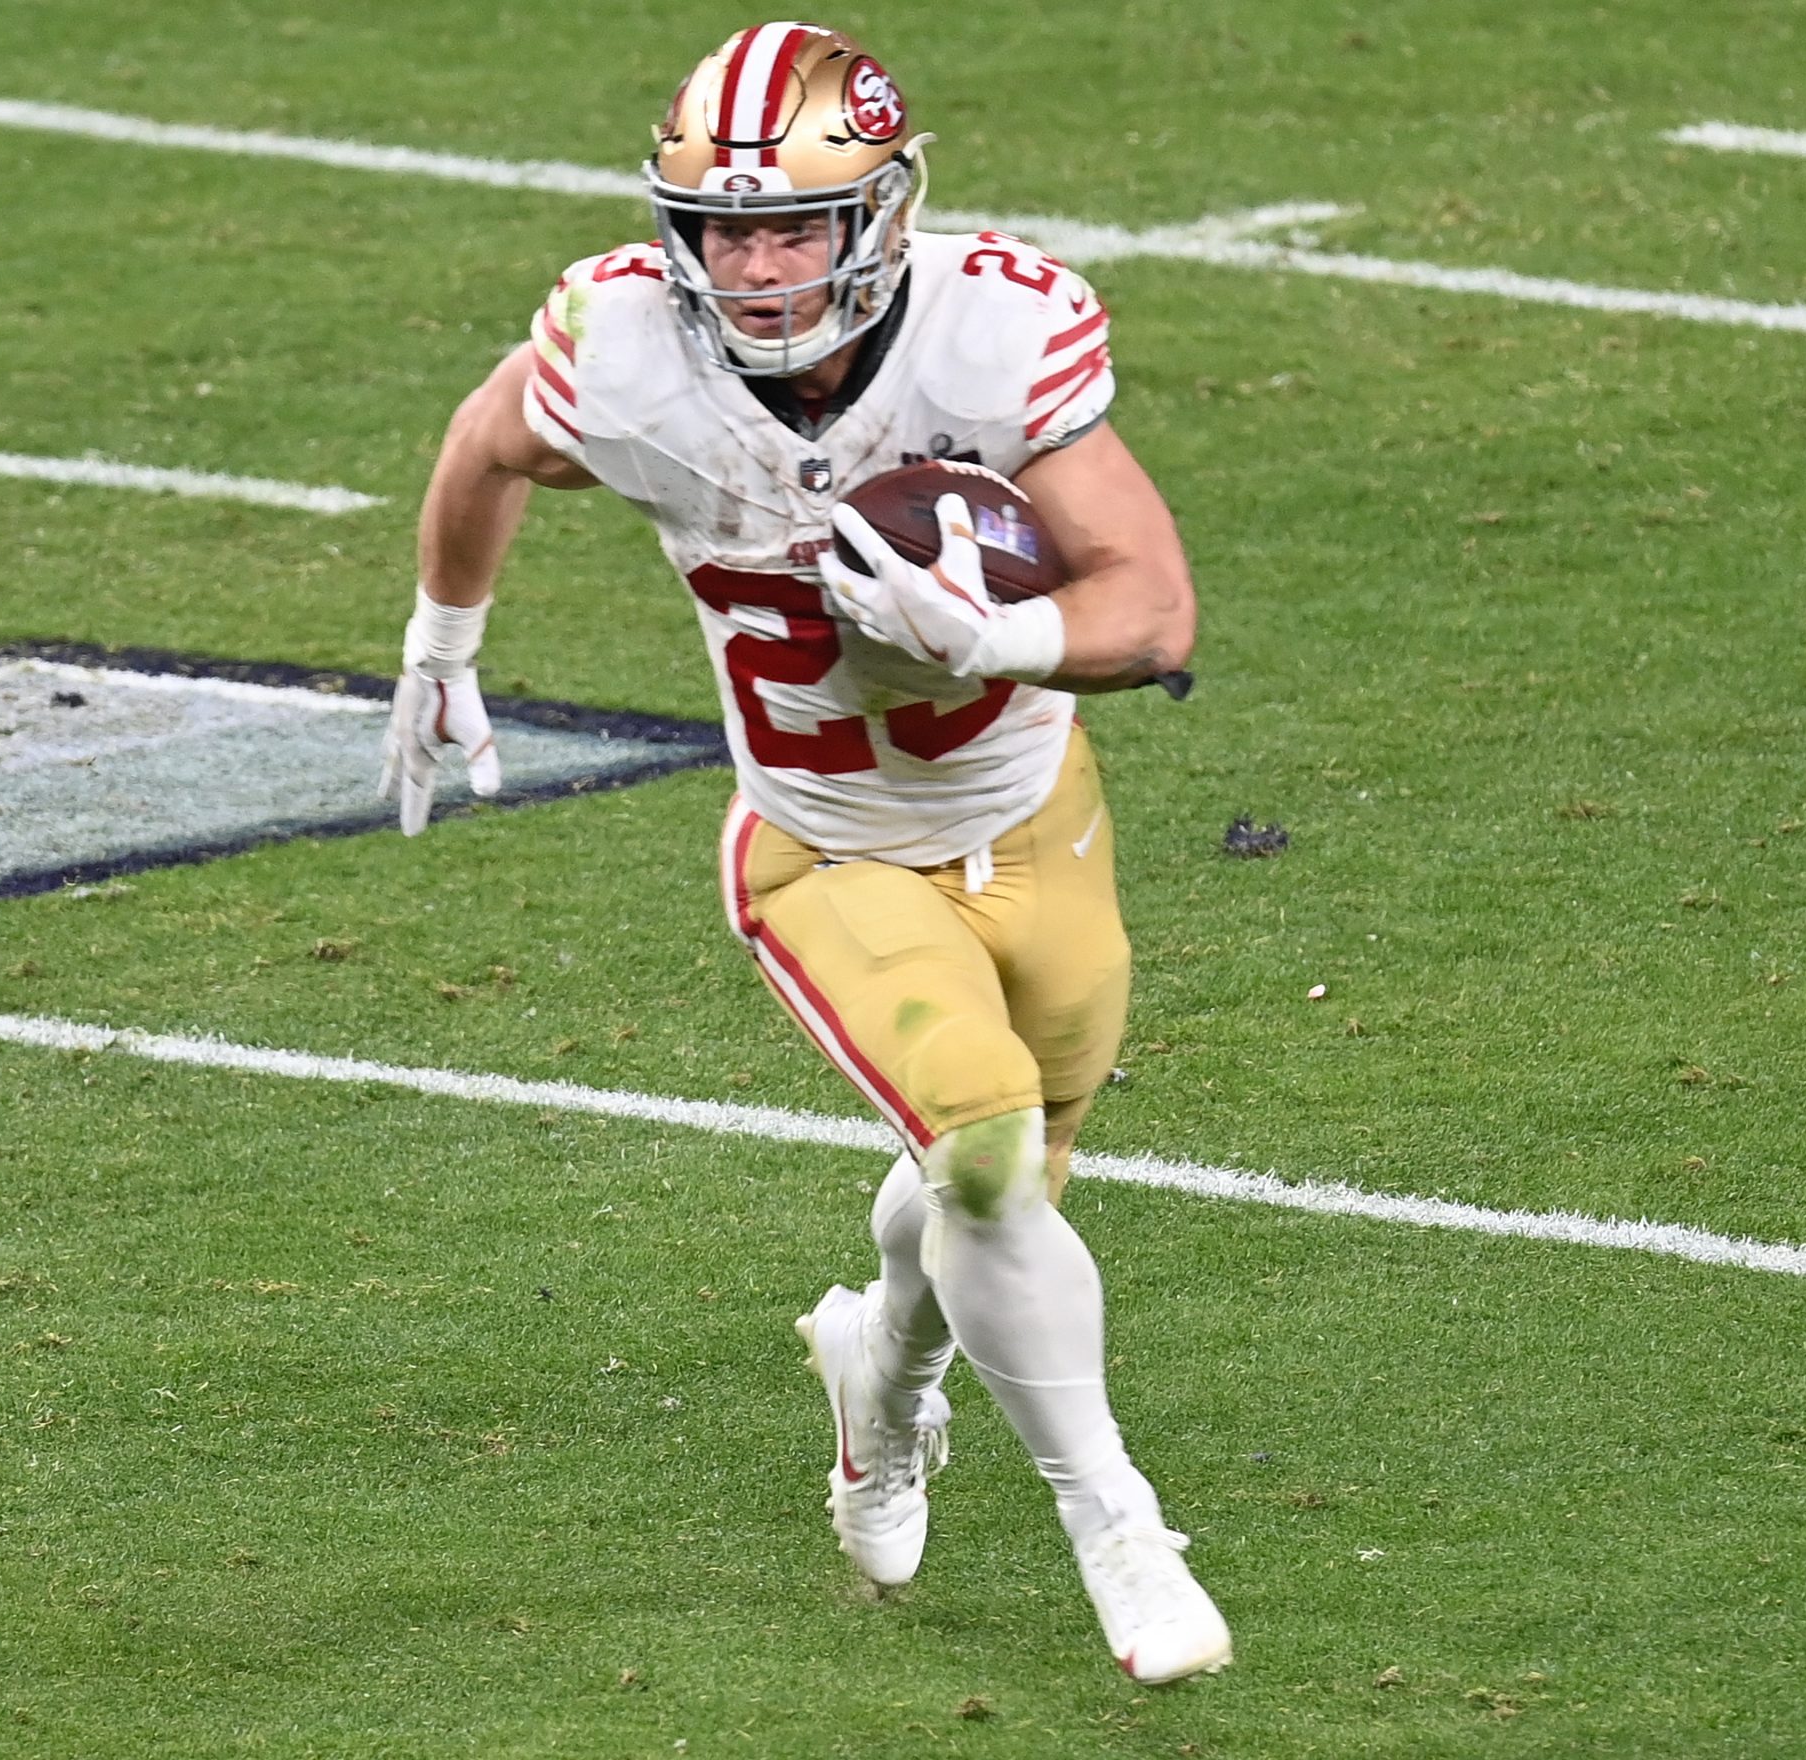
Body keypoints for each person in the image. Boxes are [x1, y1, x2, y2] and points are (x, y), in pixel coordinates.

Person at [380, 21, 1228, 1684]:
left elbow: (1157, 611)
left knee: (991, 1197)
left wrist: (1006, 637)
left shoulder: (991, 338)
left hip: (1036, 817)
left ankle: (880, 1388)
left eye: (791, 226)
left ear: (881, 215)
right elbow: (488, 440)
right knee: (980, 1157)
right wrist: (440, 638)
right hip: (822, 849)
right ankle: (1116, 1527)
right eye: (719, 230)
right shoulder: (624, 348)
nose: (754, 266)